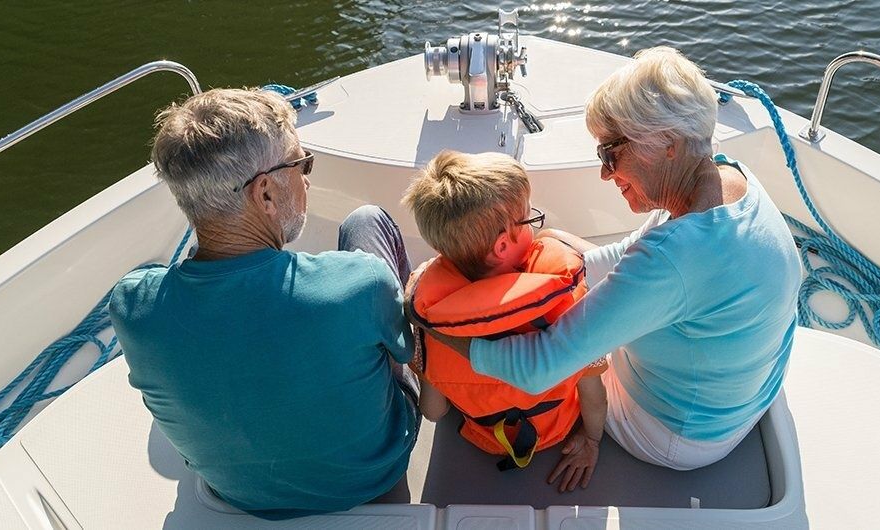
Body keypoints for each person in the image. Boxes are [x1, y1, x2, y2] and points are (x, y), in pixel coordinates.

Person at [414, 47, 802, 471]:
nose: (604, 172)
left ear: (668, 145)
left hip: (674, 434)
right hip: (746, 398)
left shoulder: (673, 260)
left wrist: (436, 327)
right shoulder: (727, 176)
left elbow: (540, 367)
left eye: (610, 153)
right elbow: (625, 255)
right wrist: (546, 267)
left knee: (565, 365)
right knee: (554, 241)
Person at [109, 88, 420, 518]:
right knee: (368, 221)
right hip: (371, 480)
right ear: (266, 194)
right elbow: (412, 355)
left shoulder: (132, 306)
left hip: (238, 495)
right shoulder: (360, 282)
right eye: (300, 164)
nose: (306, 178)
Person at [401, 150, 608, 492]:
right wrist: (592, 440)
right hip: (558, 430)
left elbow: (434, 412)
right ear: (501, 247)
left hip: (486, 437)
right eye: (529, 220)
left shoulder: (435, 322)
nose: (536, 227)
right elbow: (594, 396)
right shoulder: (567, 302)